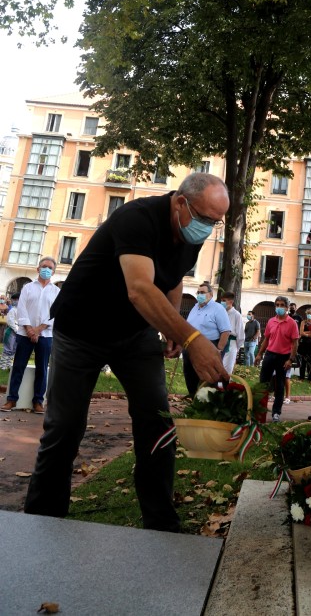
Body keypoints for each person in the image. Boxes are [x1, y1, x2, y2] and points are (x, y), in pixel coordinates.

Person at [24, 172, 230, 533]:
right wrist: (192, 339)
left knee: (157, 422)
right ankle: (41, 521)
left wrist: (171, 326)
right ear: (181, 203)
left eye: (216, 222)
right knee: (65, 427)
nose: (208, 229)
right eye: (204, 219)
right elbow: (139, 288)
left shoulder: (190, 232)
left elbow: (173, 276)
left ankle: (161, 524)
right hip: (81, 329)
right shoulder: (137, 218)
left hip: (135, 334)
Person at [1, 258, 60, 414]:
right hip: (24, 334)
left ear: (53, 271)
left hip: (46, 335)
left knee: (42, 369)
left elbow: (55, 313)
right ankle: (11, 399)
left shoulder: (56, 291)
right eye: (44, 266)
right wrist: (29, 329)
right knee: (18, 366)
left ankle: (38, 402)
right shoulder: (27, 287)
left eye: (50, 268)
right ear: (38, 269)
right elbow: (21, 309)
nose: (46, 269)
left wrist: (39, 330)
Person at [254, 295, 299, 423]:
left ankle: (276, 413)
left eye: (282, 305)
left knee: (279, 385)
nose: (279, 307)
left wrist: (290, 360)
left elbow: (295, 343)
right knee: (263, 384)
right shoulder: (271, 321)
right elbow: (266, 339)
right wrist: (259, 354)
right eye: (277, 305)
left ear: (287, 307)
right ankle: (260, 411)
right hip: (269, 355)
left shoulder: (292, 323)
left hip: (283, 357)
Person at [183, 280, 231, 397]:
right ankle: (193, 396)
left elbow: (226, 331)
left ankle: (208, 399)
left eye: (202, 292)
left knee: (209, 376)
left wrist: (219, 350)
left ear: (211, 294)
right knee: (189, 373)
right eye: (198, 292)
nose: (199, 295)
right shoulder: (195, 307)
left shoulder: (218, 308)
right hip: (191, 346)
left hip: (210, 345)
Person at [221, 291, 245, 374]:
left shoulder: (236, 315)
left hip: (231, 343)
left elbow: (240, 334)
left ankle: (225, 382)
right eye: (222, 300)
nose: (222, 302)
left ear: (231, 301)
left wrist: (236, 348)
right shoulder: (221, 313)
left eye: (224, 300)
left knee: (227, 368)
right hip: (220, 342)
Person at [298, 308, 311, 381]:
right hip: (303, 343)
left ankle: (310, 378)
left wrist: (305, 333)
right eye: (308, 314)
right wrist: (310, 332)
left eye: (310, 314)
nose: (309, 315)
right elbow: (301, 333)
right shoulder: (303, 322)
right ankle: (301, 377)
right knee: (302, 361)